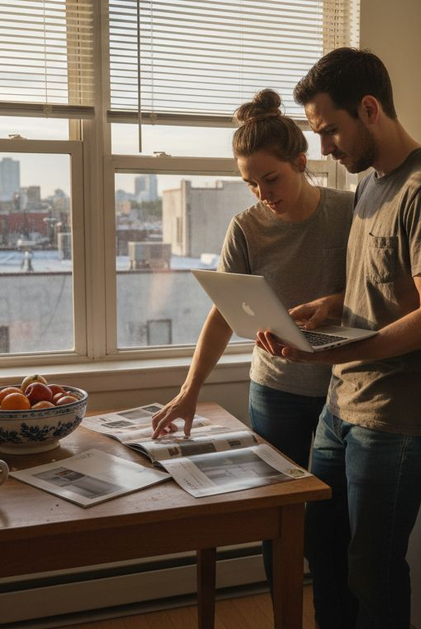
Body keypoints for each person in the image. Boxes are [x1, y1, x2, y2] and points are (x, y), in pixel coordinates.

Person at [255, 48, 421, 629]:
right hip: (340, 407)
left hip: (393, 418)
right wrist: (331, 305)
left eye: (330, 131)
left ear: (369, 109)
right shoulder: (369, 186)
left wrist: (335, 351)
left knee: (373, 571)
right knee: (324, 551)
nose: (324, 149)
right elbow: (382, 286)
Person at [150, 88, 354, 590]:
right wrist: (189, 391)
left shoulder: (349, 212)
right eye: (250, 183)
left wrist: (335, 300)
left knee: (331, 528)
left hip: (342, 390)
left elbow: (376, 289)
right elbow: (222, 315)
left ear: (301, 162)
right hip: (276, 390)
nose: (262, 193)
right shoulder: (246, 228)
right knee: (274, 520)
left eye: (271, 179)